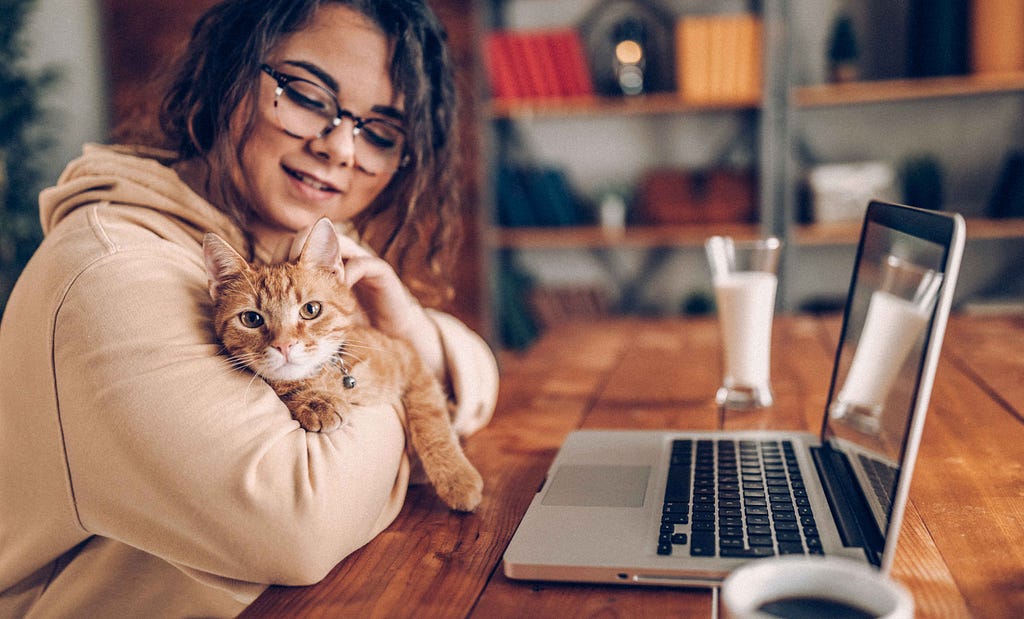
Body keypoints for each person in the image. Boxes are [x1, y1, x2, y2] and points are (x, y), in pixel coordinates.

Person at [0, 0, 498, 616]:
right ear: (229, 74)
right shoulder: (114, 273)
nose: (341, 147)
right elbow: (302, 523)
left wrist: (407, 327)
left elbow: (476, 367)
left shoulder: (283, 240)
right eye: (310, 96)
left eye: (381, 133)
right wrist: (404, 381)